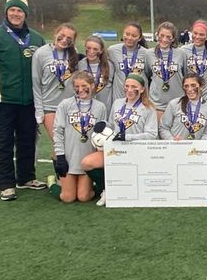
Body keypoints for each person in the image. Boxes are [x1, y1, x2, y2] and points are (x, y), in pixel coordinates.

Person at [0, 0, 47, 201]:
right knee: (2, 143)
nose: (16, 14)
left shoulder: (36, 38)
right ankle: (6, 185)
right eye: (12, 10)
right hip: (2, 101)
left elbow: (46, 63)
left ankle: (26, 177)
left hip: (29, 101)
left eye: (20, 11)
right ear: (6, 12)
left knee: (27, 140)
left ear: (25, 14)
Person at [81, 73, 158, 206]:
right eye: (127, 86)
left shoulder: (148, 108)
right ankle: (106, 189)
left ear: (142, 89)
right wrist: (103, 125)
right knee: (87, 163)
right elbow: (111, 124)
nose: (129, 89)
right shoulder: (117, 103)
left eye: (133, 86)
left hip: (136, 151)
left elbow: (152, 134)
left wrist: (128, 137)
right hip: (116, 149)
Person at [51, 71, 108, 203]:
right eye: (76, 86)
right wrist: (60, 156)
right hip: (68, 157)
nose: (80, 89)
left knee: (83, 197)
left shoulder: (100, 107)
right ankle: (52, 183)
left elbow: (101, 135)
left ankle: (91, 187)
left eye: (84, 86)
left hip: (86, 160)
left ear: (92, 86)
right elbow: (58, 131)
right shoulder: (65, 104)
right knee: (68, 198)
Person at [32, 23, 78, 143]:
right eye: (62, 36)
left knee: (67, 144)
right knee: (59, 143)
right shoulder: (41, 53)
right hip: (49, 107)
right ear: (55, 34)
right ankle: (59, 162)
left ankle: (59, 163)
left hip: (70, 107)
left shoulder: (74, 53)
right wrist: (39, 110)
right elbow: (36, 83)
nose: (64, 40)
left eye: (69, 39)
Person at [159, 73, 207, 145]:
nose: (190, 89)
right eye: (186, 86)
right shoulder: (174, 104)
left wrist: (201, 145)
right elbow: (163, 128)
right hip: (175, 149)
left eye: (193, 85)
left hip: (196, 151)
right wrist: (172, 140)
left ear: (201, 86)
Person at [149, 21, 188, 120]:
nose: (164, 39)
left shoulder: (181, 54)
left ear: (173, 38)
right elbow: (147, 75)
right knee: (157, 134)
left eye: (168, 37)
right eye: (161, 35)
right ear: (157, 35)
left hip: (177, 103)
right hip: (157, 104)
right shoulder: (148, 54)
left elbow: (185, 75)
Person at [108, 22, 152, 101]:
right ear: (123, 34)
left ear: (140, 38)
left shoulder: (146, 53)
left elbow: (149, 75)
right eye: (127, 34)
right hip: (119, 99)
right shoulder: (112, 50)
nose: (129, 38)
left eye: (134, 36)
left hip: (140, 100)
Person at [182, 19, 207, 105]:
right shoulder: (183, 51)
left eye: (201, 34)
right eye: (195, 33)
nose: (197, 37)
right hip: (190, 98)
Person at [78, 35, 115, 115]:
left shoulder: (110, 66)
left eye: (95, 49)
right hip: (85, 112)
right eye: (89, 48)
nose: (91, 52)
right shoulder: (80, 65)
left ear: (101, 50)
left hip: (106, 112)